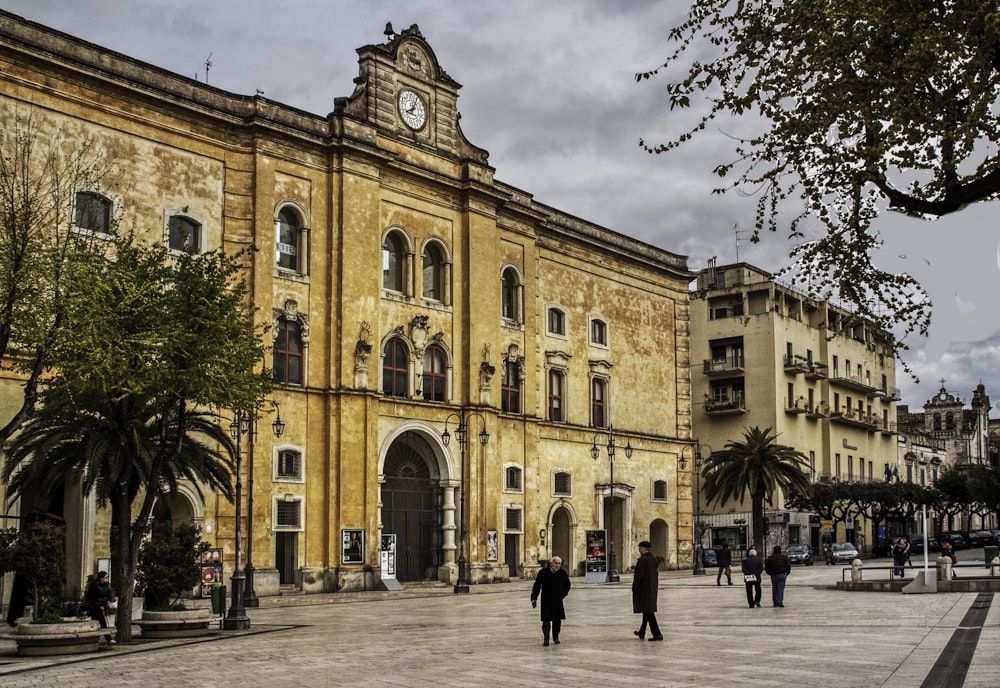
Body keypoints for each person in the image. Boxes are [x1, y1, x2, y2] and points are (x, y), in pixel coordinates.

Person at [530, 556, 570, 646]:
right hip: (546, 600)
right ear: (551, 563)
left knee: (557, 621)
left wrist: (562, 594)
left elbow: (567, 585)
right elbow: (537, 585)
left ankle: (556, 637)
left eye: (559, 564)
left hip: (557, 600)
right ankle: (546, 639)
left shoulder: (562, 573)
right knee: (546, 620)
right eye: (556, 563)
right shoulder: (543, 572)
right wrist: (534, 597)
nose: (557, 565)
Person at [632, 541, 662, 641]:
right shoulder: (653, 559)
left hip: (644, 590)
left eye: (640, 548)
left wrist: (634, 587)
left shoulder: (643, 560)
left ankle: (657, 634)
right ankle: (642, 631)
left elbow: (639, 576)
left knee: (649, 613)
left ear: (644, 549)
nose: (639, 550)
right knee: (647, 611)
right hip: (652, 588)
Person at [87, 570, 115, 645]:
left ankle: (96, 640)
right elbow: (90, 597)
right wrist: (89, 607)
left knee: (98, 624)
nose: (107, 579)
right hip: (96, 607)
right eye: (105, 577)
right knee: (102, 623)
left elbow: (108, 594)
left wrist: (110, 599)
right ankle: (109, 639)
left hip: (103, 606)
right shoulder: (95, 585)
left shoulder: (106, 586)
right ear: (101, 578)